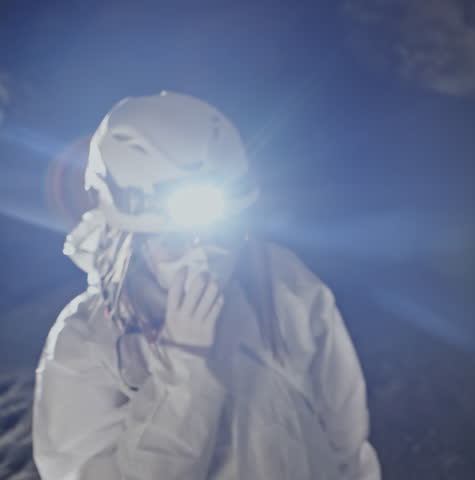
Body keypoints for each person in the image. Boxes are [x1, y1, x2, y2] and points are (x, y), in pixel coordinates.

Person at [32, 91, 381, 480]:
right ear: (129, 239)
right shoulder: (85, 343)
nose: (201, 257)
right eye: (174, 241)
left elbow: (344, 428)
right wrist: (184, 365)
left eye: (218, 234)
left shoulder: (278, 280)